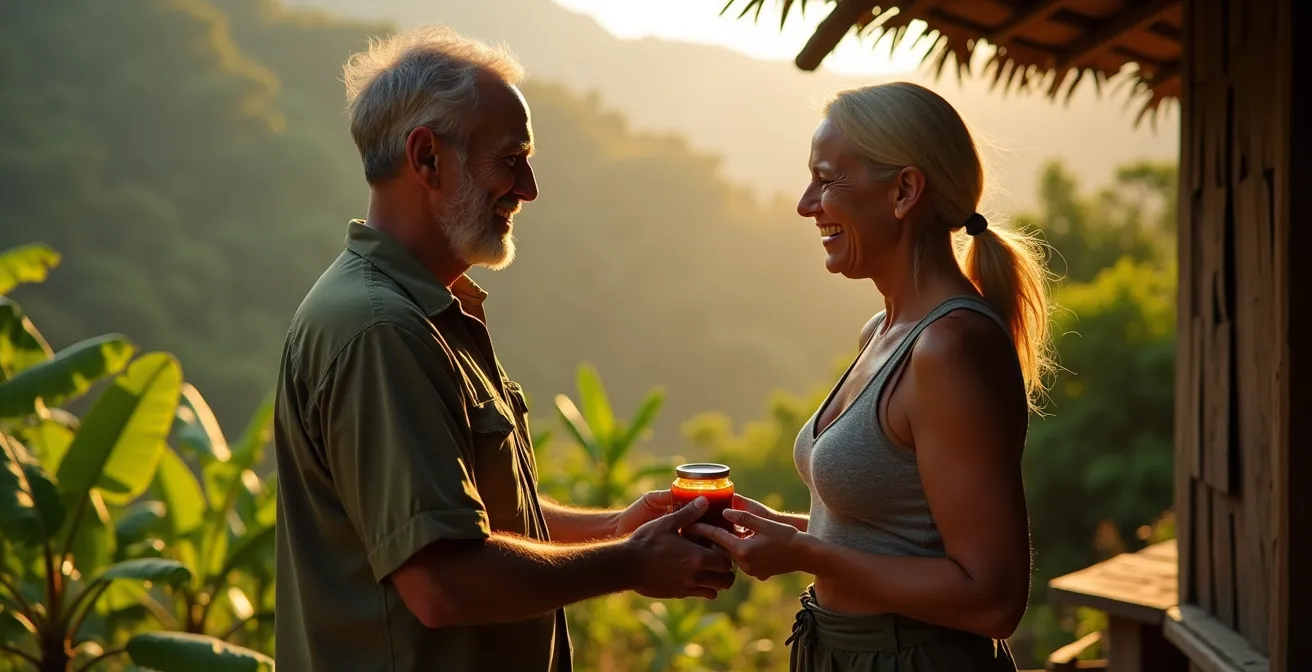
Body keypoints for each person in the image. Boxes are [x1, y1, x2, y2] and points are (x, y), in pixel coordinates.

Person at [272, 26, 734, 672]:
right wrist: (631, 563)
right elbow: (442, 582)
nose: (529, 188)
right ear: (427, 158)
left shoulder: (426, 314)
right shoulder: (382, 332)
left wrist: (619, 528)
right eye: (510, 159)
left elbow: (461, 514)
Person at [689, 81, 1050, 671]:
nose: (807, 204)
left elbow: (993, 599)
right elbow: (894, 537)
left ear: (904, 190)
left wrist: (807, 552)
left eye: (827, 180)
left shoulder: (950, 347)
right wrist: (774, 530)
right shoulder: (883, 332)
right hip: (841, 652)